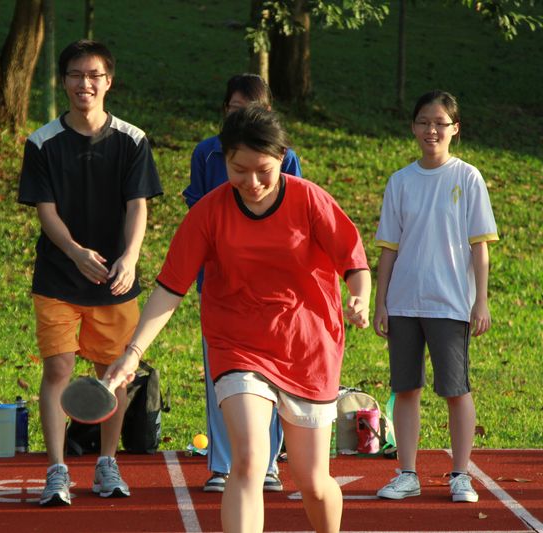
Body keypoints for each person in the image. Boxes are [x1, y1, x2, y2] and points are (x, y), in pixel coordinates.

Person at [107, 105, 371, 533]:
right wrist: (133, 352)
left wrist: (360, 297)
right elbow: (171, 287)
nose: (252, 183)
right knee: (248, 459)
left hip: (307, 346)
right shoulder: (209, 213)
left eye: (263, 171)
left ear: (282, 158)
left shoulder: (310, 199)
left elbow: (354, 262)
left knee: (312, 481)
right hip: (237, 345)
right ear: (224, 159)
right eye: (239, 170)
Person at [18, 39, 162, 507]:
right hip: (58, 277)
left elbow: (137, 206)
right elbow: (46, 211)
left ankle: (106, 462)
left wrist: (130, 257)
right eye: (76, 75)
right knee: (59, 368)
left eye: (94, 75)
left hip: (115, 279)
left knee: (113, 373)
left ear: (108, 81)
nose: (85, 83)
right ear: (63, 82)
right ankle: (57, 469)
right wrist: (76, 252)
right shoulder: (41, 142)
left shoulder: (133, 139)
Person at [373, 90, 498, 504]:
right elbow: (388, 249)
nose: (432, 130)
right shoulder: (400, 181)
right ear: (413, 127)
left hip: (450, 303)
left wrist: (481, 300)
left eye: (440, 123)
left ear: (454, 128)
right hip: (404, 302)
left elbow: (480, 246)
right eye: (424, 122)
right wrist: (381, 302)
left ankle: (460, 474)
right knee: (406, 388)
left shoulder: (468, 177)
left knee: (455, 389)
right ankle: (407, 473)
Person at [183, 73, 302, 494]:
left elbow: (295, 213)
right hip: (219, 287)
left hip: (271, 292)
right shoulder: (206, 153)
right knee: (224, 378)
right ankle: (222, 465)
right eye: (235, 109)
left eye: (252, 110)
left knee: (270, 379)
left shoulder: (285, 157)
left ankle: (267, 464)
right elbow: (197, 217)